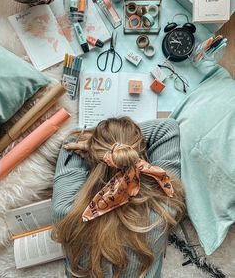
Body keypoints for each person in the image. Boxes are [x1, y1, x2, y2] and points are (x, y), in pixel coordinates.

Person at [51, 117, 185, 278]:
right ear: (137, 155)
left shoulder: (66, 210)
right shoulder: (162, 205)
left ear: (91, 156)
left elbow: (71, 140)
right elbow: (165, 127)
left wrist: (98, 145)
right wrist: (109, 147)